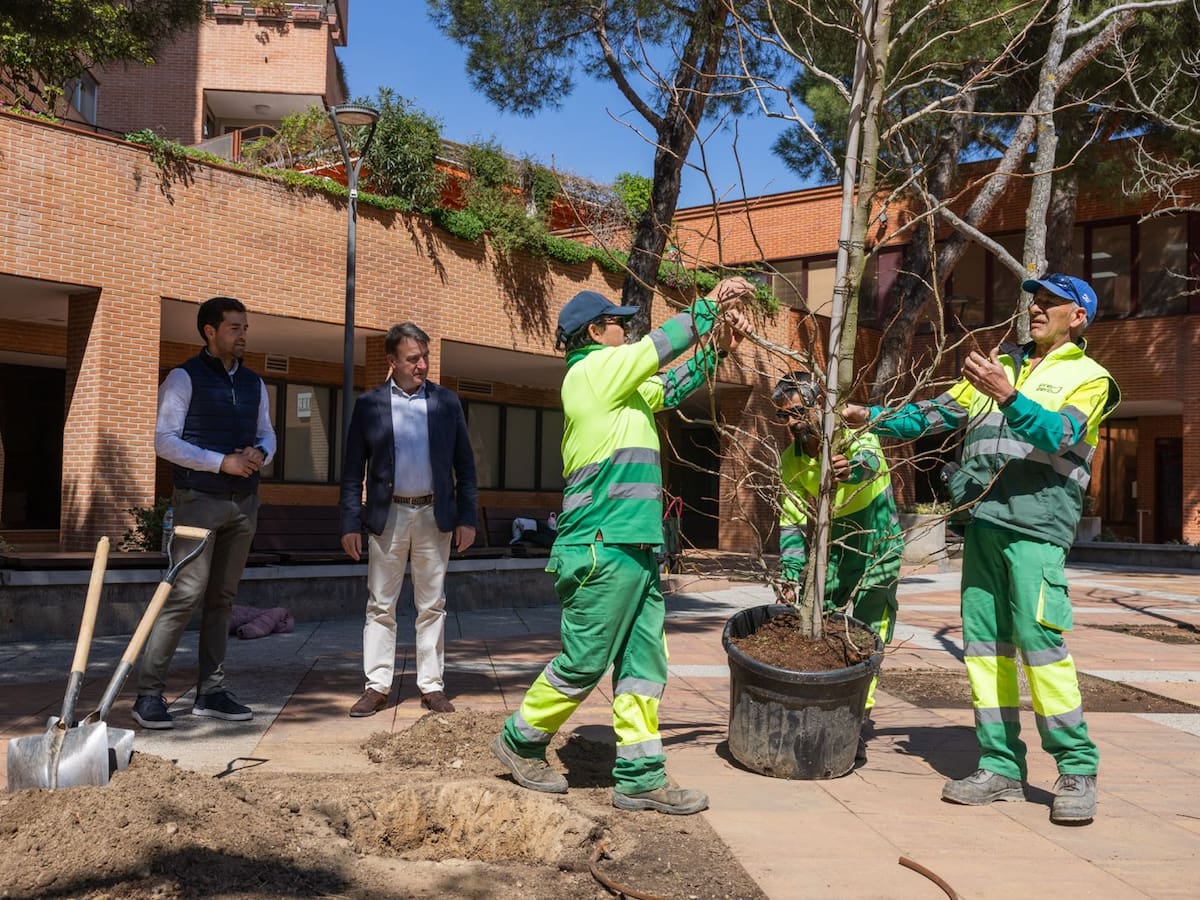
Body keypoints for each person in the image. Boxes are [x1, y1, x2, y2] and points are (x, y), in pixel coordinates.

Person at [844, 273, 1120, 824]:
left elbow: (1059, 436)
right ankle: (1000, 768)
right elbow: (937, 414)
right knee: (985, 652)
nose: (1036, 310)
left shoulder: (1092, 379)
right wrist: (872, 417)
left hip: (1037, 531)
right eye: (1034, 302)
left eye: (1050, 304)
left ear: (1079, 317)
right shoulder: (1002, 364)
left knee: (1041, 650)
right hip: (984, 527)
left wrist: (1009, 395)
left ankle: (1076, 768)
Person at [491, 279, 753, 815]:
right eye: (619, 324)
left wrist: (722, 346)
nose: (626, 331)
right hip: (600, 547)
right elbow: (658, 347)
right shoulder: (590, 372)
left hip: (632, 547)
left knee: (643, 665)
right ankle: (520, 740)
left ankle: (639, 777)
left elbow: (673, 385)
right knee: (585, 662)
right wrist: (709, 307)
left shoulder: (619, 388)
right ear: (595, 332)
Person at [133, 296, 275, 729]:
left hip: (244, 503)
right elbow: (164, 441)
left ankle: (210, 692)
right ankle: (148, 694)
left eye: (245, 327)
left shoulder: (254, 383)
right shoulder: (183, 377)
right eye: (234, 327)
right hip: (198, 499)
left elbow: (269, 434)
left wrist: (259, 453)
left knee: (223, 600)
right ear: (209, 331)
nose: (243, 334)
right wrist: (221, 461)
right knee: (184, 593)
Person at [340, 322, 477, 717]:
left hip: (435, 516)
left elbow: (465, 467)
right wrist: (350, 522)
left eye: (425, 357)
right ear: (392, 361)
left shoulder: (447, 403)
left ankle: (432, 686)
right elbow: (352, 471)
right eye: (413, 358)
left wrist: (467, 517)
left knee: (432, 604)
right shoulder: (369, 405)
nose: (422, 365)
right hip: (388, 516)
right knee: (381, 604)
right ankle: (377, 686)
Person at [771, 370, 903, 760]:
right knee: (819, 617)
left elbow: (869, 464)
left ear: (819, 406)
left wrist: (850, 470)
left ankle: (858, 713)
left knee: (867, 626)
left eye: (797, 412)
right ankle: (821, 701)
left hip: (877, 538)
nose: (791, 423)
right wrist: (791, 574)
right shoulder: (791, 461)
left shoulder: (855, 433)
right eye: (783, 416)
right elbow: (792, 519)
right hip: (835, 541)